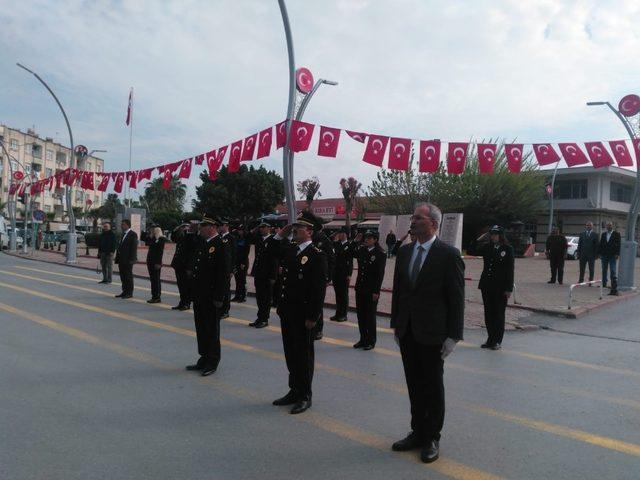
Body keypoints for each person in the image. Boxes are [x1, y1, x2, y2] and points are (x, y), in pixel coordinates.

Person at [390, 202, 464, 464]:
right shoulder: (406, 251)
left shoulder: (448, 255)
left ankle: (432, 436)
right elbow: (400, 290)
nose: (412, 221)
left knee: (432, 386)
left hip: (433, 333)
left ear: (433, 223)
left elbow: (456, 298)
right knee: (413, 384)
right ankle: (417, 431)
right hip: (408, 330)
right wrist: (396, 325)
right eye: (412, 217)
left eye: (417, 218)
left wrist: (453, 336)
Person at [271, 211, 327, 414]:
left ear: (310, 231)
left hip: (304, 315)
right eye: (295, 227)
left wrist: (313, 316)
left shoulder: (316, 255)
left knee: (304, 356)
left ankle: (305, 395)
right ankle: (293, 390)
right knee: (290, 353)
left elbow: (318, 289)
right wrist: (280, 234)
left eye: (299, 227)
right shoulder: (291, 250)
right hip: (287, 311)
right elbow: (271, 250)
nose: (295, 230)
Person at [185, 216, 231, 377]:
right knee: (201, 327)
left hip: (212, 296)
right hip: (200, 295)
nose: (200, 228)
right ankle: (203, 357)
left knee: (211, 329)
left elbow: (223, 274)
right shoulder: (203, 243)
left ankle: (212, 360)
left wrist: (220, 297)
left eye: (203, 225)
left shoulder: (220, 245)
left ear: (212, 227)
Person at [468, 225, 514, 350]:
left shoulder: (507, 249)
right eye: (492, 234)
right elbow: (471, 251)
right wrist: (478, 239)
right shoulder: (487, 247)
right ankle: (490, 339)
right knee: (488, 313)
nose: (493, 236)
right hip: (487, 285)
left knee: (498, 314)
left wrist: (509, 288)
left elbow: (510, 270)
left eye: (495, 234)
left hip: (500, 287)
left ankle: (497, 341)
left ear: (501, 235)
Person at [349, 230, 386, 350]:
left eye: (369, 238)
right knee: (361, 315)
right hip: (360, 288)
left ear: (375, 240)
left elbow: (380, 274)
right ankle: (363, 339)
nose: (366, 240)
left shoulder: (380, 253)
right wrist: (355, 241)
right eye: (365, 238)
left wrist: (376, 291)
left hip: (371, 290)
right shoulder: (361, 250)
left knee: (370, 316)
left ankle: (371, 341)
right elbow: (349, 252)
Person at [248, 222, 278, 328]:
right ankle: (259, 317)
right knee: (259, 297)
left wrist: (273, 276)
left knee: (266, 298)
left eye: (263, 227)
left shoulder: (273, 240)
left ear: (269, 228)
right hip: (259, 273)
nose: (261, 229)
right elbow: (250, 235)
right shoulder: (259, 239)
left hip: (267, 274)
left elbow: (274, 260)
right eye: (260, 227)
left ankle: (264, 319)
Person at [311, 222, 335, 340]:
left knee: (317, 303)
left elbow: (330, 260)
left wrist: (328, 277)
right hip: (307, 276)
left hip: (319, 277)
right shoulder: (309, 238)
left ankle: (318, 329)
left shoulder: (324, 240)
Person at [170, 222, 196, 310]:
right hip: (178, 264)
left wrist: (190, 267)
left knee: (186, 285)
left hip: (186, 266)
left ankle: (186, 303)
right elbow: (173, 238)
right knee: (180, 285)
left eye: (187, 226)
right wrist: (177, 229)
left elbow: (192, 254)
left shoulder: (193, 237)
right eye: (183, 227)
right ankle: (182, 302)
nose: (185, 228)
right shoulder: (182, 235)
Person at [330, 226, 353, 322]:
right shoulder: (336, 244)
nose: (340, 235)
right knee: (338, 294)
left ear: (346, 234)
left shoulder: (349, 245)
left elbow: (350, 261)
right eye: (339, 233)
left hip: (344, 273)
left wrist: (349, 274)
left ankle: (344, 314)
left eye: (341, 233)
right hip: (336, 273)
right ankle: (338, 313)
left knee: (343, 294)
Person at [114, 219, 138, 299]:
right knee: (122, 276)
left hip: (128, 259)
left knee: (128, 276)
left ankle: (129, 292)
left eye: (123, 224)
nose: (121, 226)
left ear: (128, 225)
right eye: (121, 224)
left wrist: (132, 259)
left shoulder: (133, 234)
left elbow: (134, 248)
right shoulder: (123, 234)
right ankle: (124, 291)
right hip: (121, 259)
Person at [219, 218, 236, 319]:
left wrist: (231, 269)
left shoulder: (231, 238)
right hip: (219, 268)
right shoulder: (219, 237)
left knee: (226, 290)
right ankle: (220, 309)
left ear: (226, 226)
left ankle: (225, 310)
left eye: (222, 225)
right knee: (220, 289)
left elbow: (233, 255)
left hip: (227, 268)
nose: (220, 227)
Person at [599, 221, 621, 295]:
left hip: (613, 255)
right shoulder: (603, 234)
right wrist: (600, 254)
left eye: (610, 225)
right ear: (606, 227)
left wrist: (617, 254)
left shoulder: (616, 234)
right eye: (607, 226)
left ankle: (613, 285)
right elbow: (601, 244)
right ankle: (604, 284)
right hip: (604, 255)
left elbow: (619, 245)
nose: (608, 227)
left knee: (613, 270)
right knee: (604, 270)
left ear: (612, 226)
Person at [145, 225, 166, 304]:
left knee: (156, 279)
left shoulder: (161, 239)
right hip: (150, 261)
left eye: (153, 229)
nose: (151, 230)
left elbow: (160, 252)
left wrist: (158, 263)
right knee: (153, 279)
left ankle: (157, 296)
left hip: (156, 262)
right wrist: (150, 235)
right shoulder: (153, 238)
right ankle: (154, 295)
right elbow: (147, 242)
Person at [231, 225, 250, 303]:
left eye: (241, 230)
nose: (240, 231)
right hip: (237, 261)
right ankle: (237, 295)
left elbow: (246, 252)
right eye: (239, 230)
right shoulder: (237, 239)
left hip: (243, 262)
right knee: (237, 279)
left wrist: (243, 263)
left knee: (242, 280)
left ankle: (243, 296)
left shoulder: (246, 239)